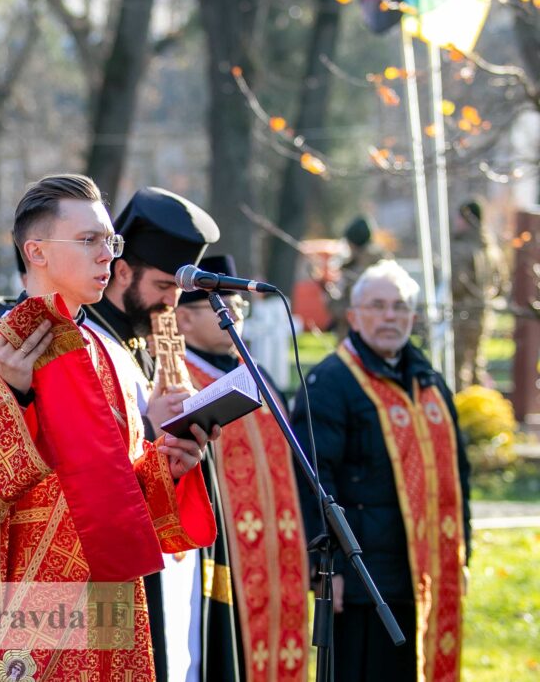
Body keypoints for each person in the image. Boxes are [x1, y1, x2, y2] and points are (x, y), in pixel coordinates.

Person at [0, 174, 219, 680]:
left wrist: (169, 463)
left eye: (109, 240)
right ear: (37, 251)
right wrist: (13, 397)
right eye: (88, 240)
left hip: (106, 601)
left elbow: (113, 484)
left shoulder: (100, 353)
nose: (107, 256)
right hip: (25, 614)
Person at [291, 260, 471, 682]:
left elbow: (457, 477)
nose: (389, 316)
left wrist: (464, 555)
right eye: (377, 306)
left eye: (400, 307)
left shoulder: (429, 382)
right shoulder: (332, 382)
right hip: (362, 585)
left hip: (424, 573)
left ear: (413, 316)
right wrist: (326, 571)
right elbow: (314, 480)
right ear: (354, 315)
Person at [83, 186, 219, 682]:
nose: (172, 300)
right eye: (163, 284)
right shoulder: (83, 337)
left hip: (161, 550)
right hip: (99, 571)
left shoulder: (149, 334)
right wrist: (155, 430)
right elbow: (82, 461)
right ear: (122, 271)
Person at [175, 255, 309, 682]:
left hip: (279, 559)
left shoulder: (261, 377)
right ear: (183, 319)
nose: (235, 317)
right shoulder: (180, 384)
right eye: (219, 308)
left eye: (241, 308)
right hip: (222, 561)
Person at [450, 199, 506, 390]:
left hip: (461, 314)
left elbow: (455, 285)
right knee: (477, 364)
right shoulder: (492, 249)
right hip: (485, 314)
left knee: (457, 366)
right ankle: (479, 408)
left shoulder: (461, 248)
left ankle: (462, 409)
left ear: (467, 219)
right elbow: (503, 286)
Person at [329, 215, 389, 339]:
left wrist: (329, 297)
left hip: (360, 338)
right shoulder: (383, 262)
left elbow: (346, 310)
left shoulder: (360, 269)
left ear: (353, 243)